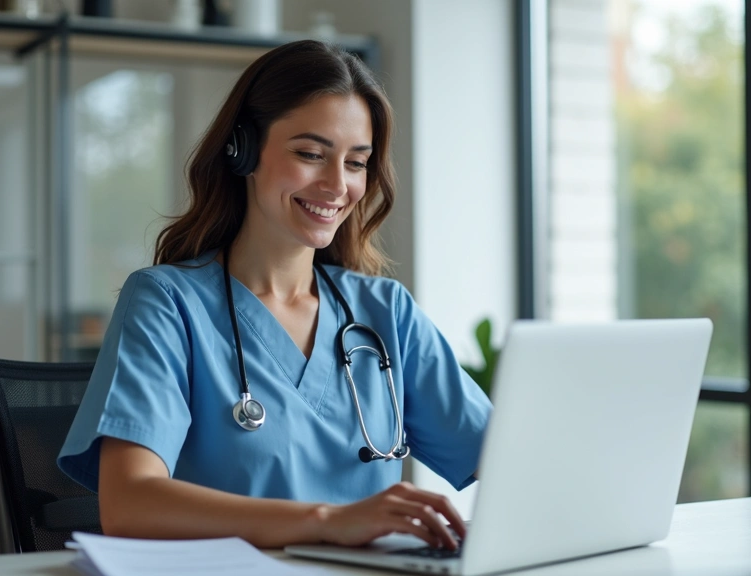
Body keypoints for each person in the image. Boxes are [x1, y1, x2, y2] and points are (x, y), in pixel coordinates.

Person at [57, 40, 492, 551]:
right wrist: (329, 520)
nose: (337, 185)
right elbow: (131, 504)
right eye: (310, 154)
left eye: (356, 163)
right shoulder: (168, 303)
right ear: (242, 149)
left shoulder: (386, 313)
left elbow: (507, 459)